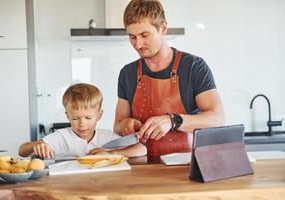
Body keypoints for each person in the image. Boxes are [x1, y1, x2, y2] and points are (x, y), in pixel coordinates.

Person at [114, 0, 225, 156]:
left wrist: (173, 121)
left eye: (144, 35)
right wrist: (126, 125)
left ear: (163, 28)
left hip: (186, 166)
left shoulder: (193, 66)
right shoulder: (127, 73)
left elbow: (217, 119)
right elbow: (118, 124)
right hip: (140, 169)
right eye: (132, 37)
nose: (138, 44)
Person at [19, 83, 147, 159]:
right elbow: (22, 150)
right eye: (75, 118)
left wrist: (111, 153)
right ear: (67, 116)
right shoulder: (62, 137)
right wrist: (36, 146)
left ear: (99, 115)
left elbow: (142, 149)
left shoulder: (107, 137)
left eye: (88, 118)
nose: (82, 124)